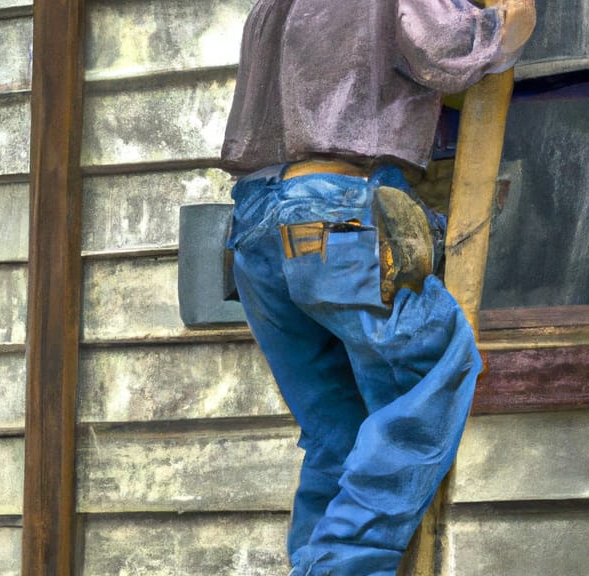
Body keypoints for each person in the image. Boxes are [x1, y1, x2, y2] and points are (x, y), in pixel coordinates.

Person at [220, 0, 535, 574]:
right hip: (333, 206)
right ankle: (346, 566)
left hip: (255, 229)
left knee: (337, 431)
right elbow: (450, 49)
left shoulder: (273, 7)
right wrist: (511, 19)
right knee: (432, 370)